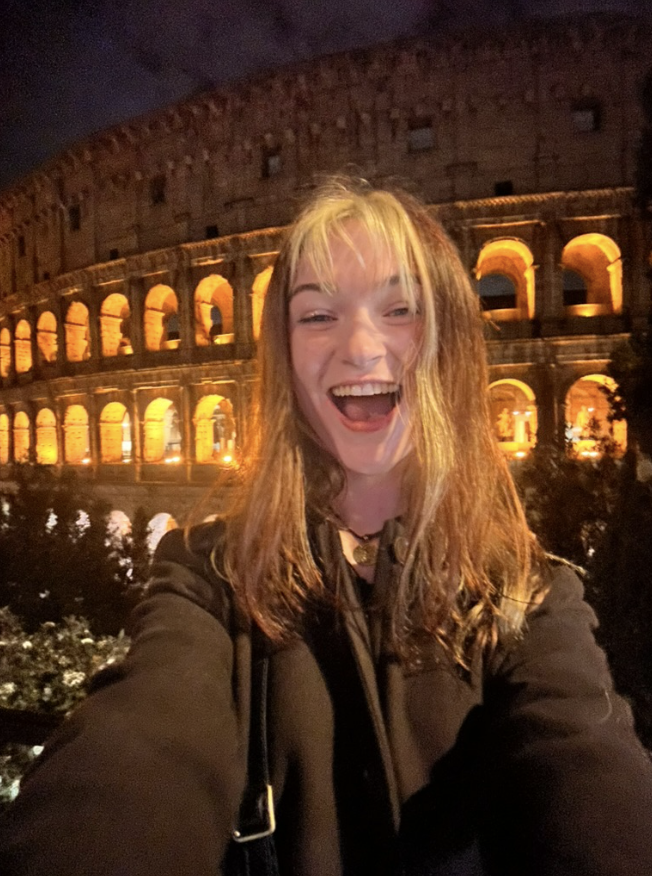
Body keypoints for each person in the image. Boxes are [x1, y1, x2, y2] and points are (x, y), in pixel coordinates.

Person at [2, 177, 652, 875]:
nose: (360, 348)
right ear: (283, 355)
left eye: (400, 308)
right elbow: (139, 746)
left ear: (450, 345)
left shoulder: (533, 595)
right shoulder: (206, 578)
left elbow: (584, 762)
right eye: (317, 316)